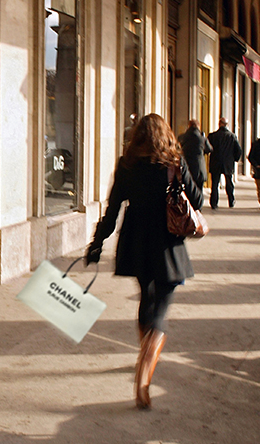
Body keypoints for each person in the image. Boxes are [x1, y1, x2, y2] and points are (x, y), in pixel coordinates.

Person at [84, 113, 202, 410]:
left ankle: (143, 356)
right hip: (166, 242)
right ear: (165, 135)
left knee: (146, 299)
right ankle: (145, 370)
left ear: (137, 136)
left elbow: (112, 211)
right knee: (162, 306)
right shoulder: (174, 163)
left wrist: (97, 243)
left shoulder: (127, 164)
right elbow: (197, 200)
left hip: (135, 241)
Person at [207, 118, 243, 209]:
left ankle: (214, 203)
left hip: (215, 162)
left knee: (215, 183)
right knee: (229, 182)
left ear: (219, 124)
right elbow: (238, 150)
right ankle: (231, 200)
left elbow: (207, 148)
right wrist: (235, 159)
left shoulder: (212, 136)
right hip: (228, 163)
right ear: (227, 125)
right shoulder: (232, 136)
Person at [178, 119, 212, 190]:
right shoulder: (202, 138)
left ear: (189, 126)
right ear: (198, 127)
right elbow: (209, 149)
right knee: (199, 191)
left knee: (187, 189)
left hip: (187, 166)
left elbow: (178, 149)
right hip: (199, 168)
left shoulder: (182, 137)